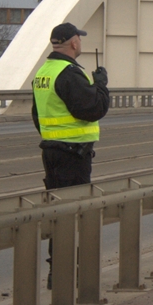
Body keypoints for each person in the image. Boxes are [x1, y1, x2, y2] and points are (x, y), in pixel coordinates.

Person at [31, 22, 110, 288]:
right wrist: (101, 86)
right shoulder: (69, 73)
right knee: (72, 213)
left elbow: (37, 115)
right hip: (73, 154)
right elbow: (91, 109)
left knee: (58, 213)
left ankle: (58, 270)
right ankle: (65, 274)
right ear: (74, 42)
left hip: (52, 150)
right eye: (80, 38)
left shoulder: (45, 72)